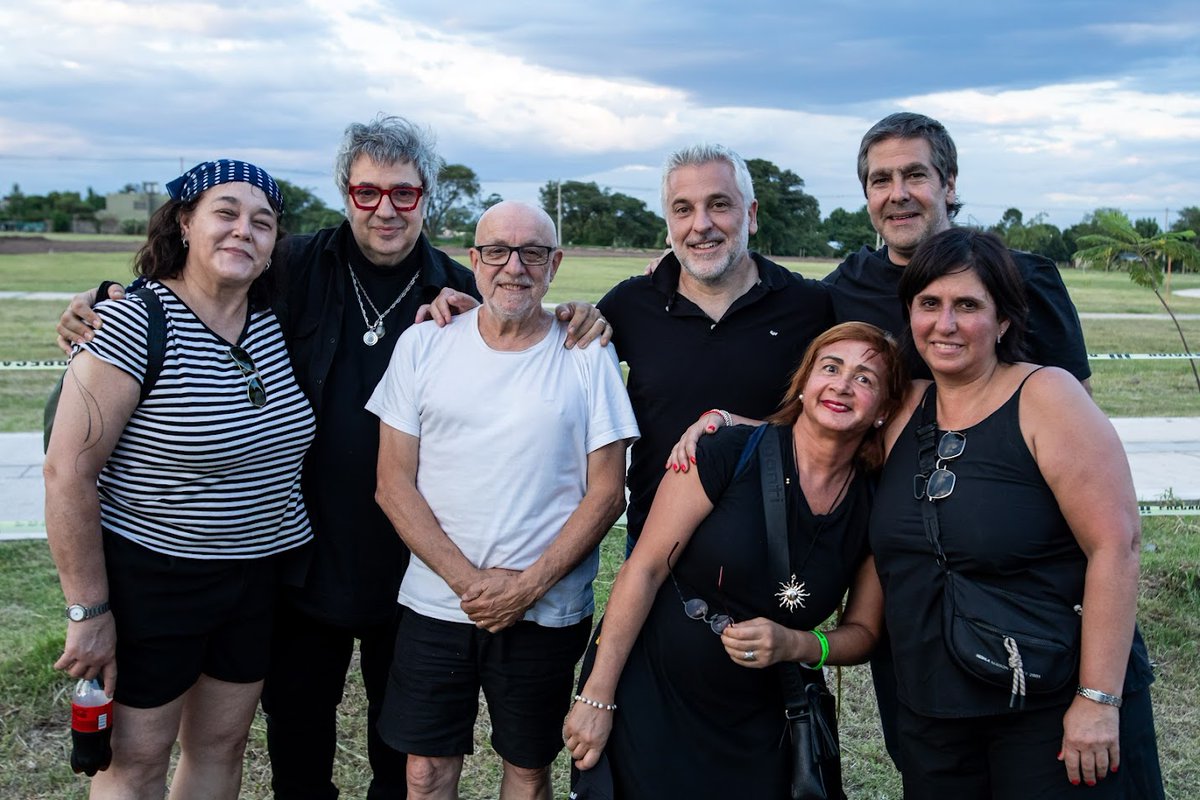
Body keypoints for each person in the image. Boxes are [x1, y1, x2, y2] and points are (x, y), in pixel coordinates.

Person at [53, 116, 607, 799]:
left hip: (412, 560)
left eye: (403, 194)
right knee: (297, 731)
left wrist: (581, 314)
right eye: (367, 191)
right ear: (346, 193)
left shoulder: (461, 287)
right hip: (297, 559)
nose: (385, 209)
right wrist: (104, 296)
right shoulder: (290, 266)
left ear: (426, 197)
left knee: (398, 744)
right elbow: (198, 281)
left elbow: (524, 304)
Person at [44, 160, 315, 799]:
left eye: (262, 222)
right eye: (225, 212)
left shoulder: (274, 320)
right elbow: (67, 472)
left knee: (221, 746)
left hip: (255, 576)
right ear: (186, 223)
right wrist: (89, 609)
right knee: (135, 759)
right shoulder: (132, 321)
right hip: (152, 577)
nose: (242, 231)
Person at [870, 227, 1162, 798]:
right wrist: (727, 426)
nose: (945, 324)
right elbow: (810, 438)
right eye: (929, 304)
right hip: (934, 709)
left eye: (968, 305)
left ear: (1004, 320)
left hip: (1048, 704)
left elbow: (1116, 546)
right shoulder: (903, 408)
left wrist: (1097, 700)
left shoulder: (1046, 396)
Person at [366, 201, 639, 800]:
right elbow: (392, 483)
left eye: (532, 253)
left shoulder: (585, 353)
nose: (513, 267)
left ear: (555, 262)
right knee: (423, 771)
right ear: (474, 261)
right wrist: (471, 584)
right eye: (497, 251)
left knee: (527, 766)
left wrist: (525, 586)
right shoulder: (423, 344)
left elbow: (607, 492)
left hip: (545, 609)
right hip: (436, 602)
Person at [563, 321, 905, 798]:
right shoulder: (728, 451)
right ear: (804, 385)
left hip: (764, 719)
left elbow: (864, 634)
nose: (843, 385)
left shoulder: (876, 504)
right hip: (655, 696)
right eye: (831, 368)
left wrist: (797, 644)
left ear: (884, 411)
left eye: (866, 378)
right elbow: (644, 570)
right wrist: (597, 697)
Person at [824, 111, 1091, 388]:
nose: (898, 194)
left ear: (949, 186)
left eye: (915, 175)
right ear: (867, 195)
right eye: (881, 180)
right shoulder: (841, 289)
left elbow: (1075, 400)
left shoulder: (1025, 278)